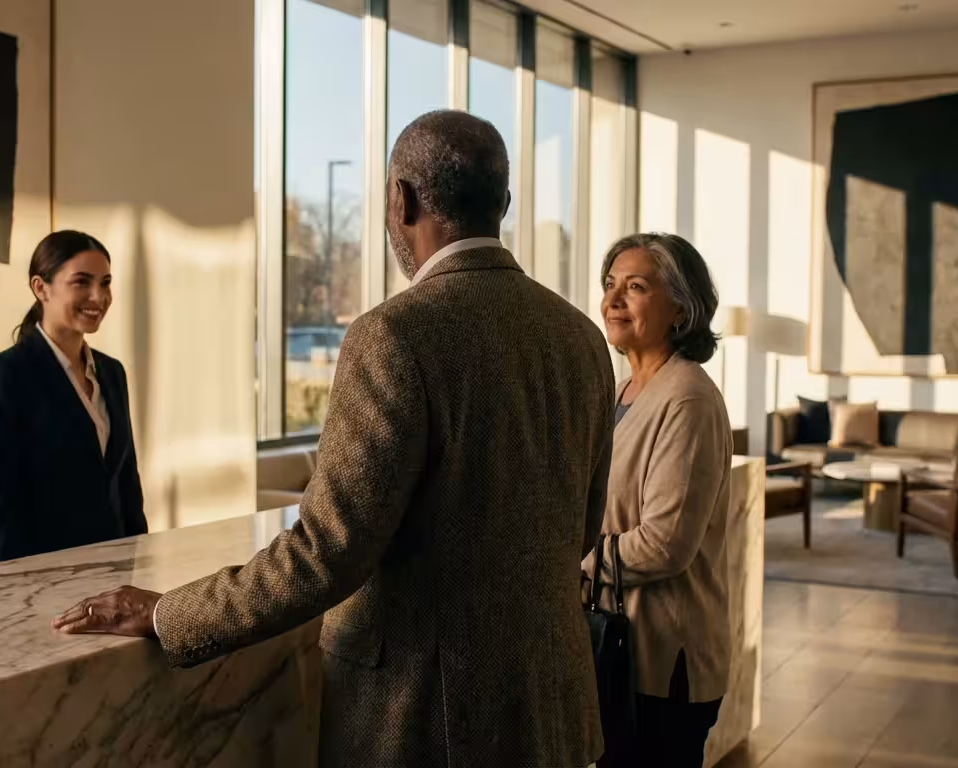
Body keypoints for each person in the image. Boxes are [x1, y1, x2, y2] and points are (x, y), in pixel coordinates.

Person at [53, 110, 614, 767]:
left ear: (400, 199)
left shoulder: (397, 334)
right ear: (504, 204)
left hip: (428, 724)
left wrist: (168, 614)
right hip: (556, 706)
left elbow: (326, 551)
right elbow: (579, 526)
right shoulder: (581, 337)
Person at [586, 233, 732, 767]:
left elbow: (665, 544)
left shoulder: (687, 398)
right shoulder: (621, 391)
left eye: (637, 286)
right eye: (610, 285)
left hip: (664, 661)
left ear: (680, 309)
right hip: (616, 651)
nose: (613, 299)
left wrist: (568, 561)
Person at [0, 230, 146, 565]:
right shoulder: (4, 376)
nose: (99, 296)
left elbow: (126, 486)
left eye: (105, 283)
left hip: (111, 577)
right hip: (33, 582)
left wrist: (137, 564)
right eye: (81, 282)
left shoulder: (112, 373)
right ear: (41, 288)